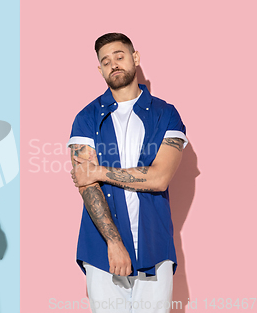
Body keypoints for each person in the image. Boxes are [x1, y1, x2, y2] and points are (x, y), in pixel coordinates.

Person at [68, 33, 187, 312]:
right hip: (101, 250)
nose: (114, 64)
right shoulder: (85, 118)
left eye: (119, 56)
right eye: (106, 61)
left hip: (155, 245)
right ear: (100, 70)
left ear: (135, 57)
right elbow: (87, 185)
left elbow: (159, 178)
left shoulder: (166, 114)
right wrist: (114, 242)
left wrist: (99, 170)